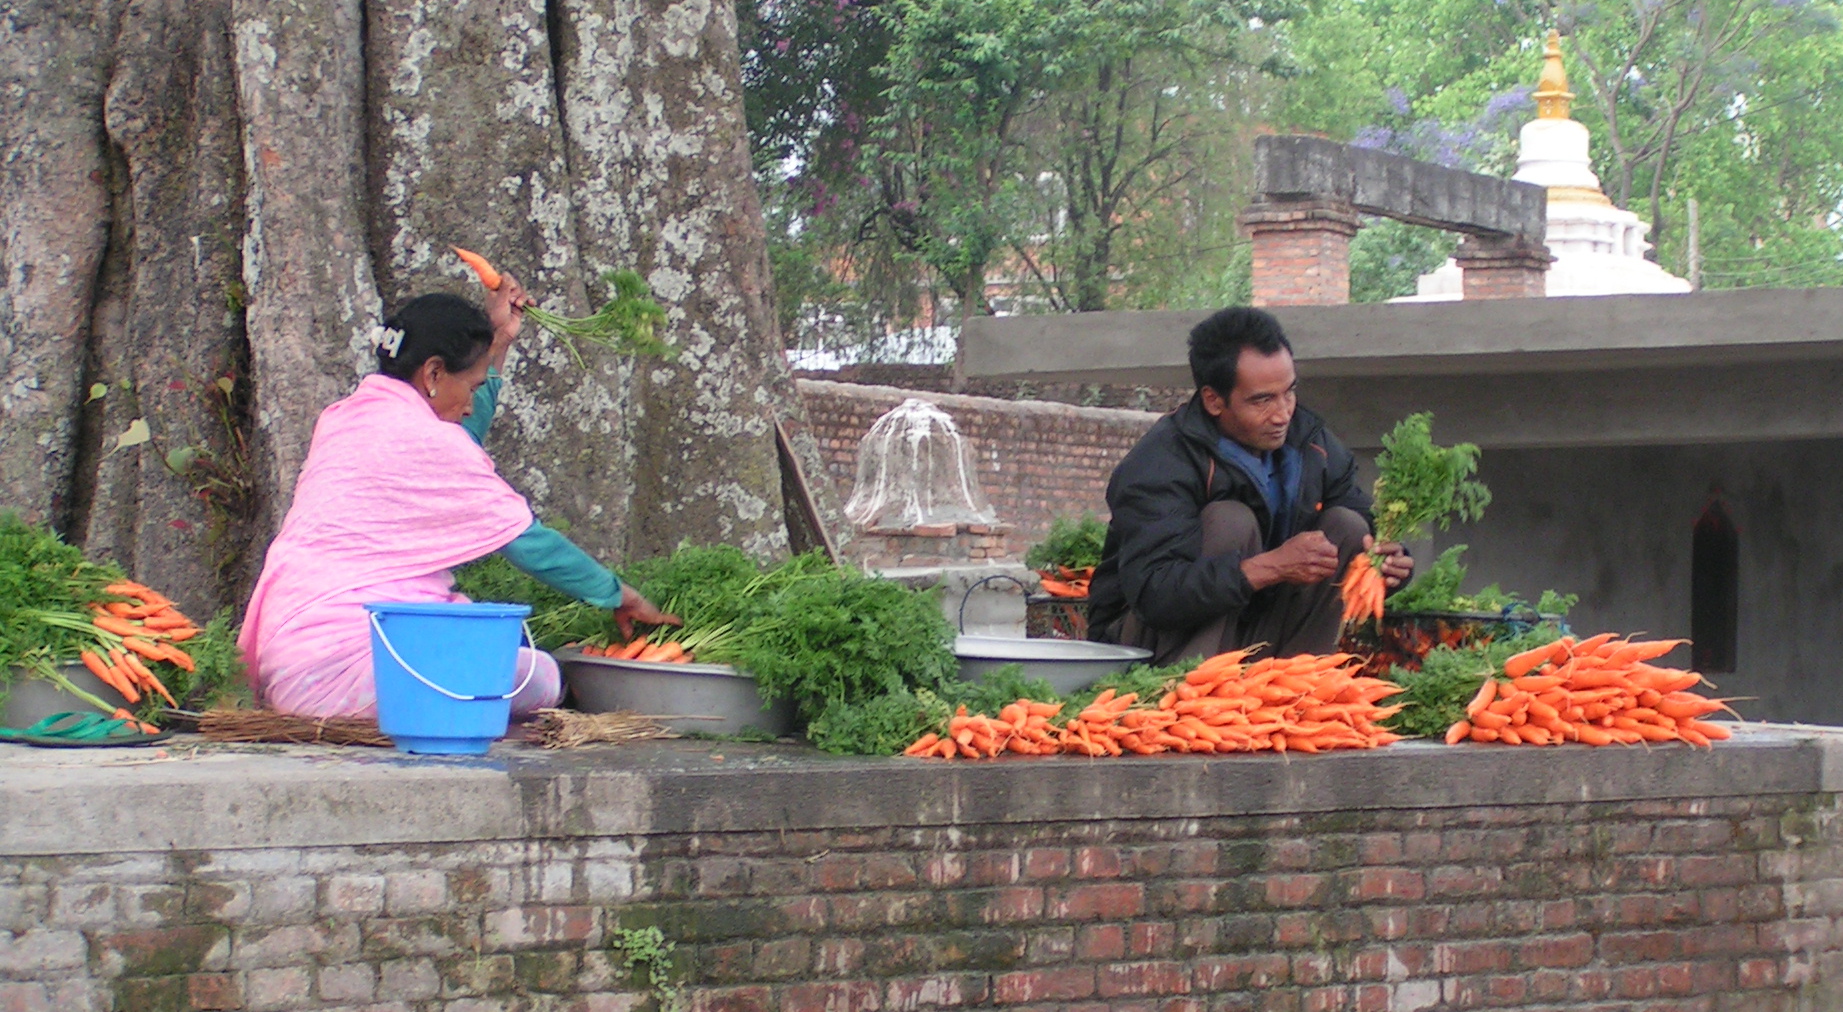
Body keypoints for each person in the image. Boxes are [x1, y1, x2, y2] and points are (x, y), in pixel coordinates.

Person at [239, 275, 675, 718]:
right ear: (432, 372)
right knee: (539, 674)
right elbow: (528, 542)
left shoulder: (345, 418)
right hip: (349, 675)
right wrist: (617, 594)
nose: (471, 405)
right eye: (471, 388)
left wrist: (500, 338)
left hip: (289, 664)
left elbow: (454, 441)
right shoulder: (423, 438)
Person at [1086, 306, 1412, 666]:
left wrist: (1391, 565)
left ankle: (1297, 688)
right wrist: (1270, 567)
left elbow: (1366, 526)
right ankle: (1197, 698)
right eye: (1262, 400)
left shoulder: (1310, 442)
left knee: (1348, 526)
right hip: (1145, 646)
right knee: (1230, 520)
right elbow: (1155, 596)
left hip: (1254, 630)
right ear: (1214, 400)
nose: (1282, 413)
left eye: (1289, 393)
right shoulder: (1160, 463)